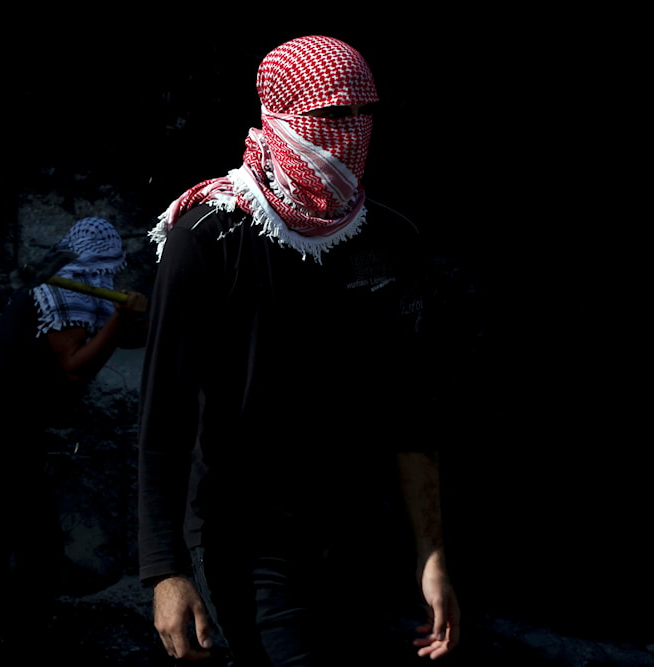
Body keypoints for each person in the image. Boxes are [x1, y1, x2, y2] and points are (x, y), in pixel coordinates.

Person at [137, 35, 460, 665]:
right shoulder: (210, 235)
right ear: (281, 116)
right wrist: (164, 570)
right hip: (247, 537)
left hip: (358, 533)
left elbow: (409, 408)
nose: (351, 132)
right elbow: (164, 414)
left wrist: (432, 555)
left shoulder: (389, 239)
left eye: (363, 114)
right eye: (331, 116)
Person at [0, 215, 148, 644]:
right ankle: (8, 629)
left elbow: (120, 334)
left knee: (11, 524)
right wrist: (120, 318)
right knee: (27, 531)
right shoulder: (66, 289)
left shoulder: (79, 288)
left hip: (4, 422)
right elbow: (76, 367)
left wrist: (138, 314)